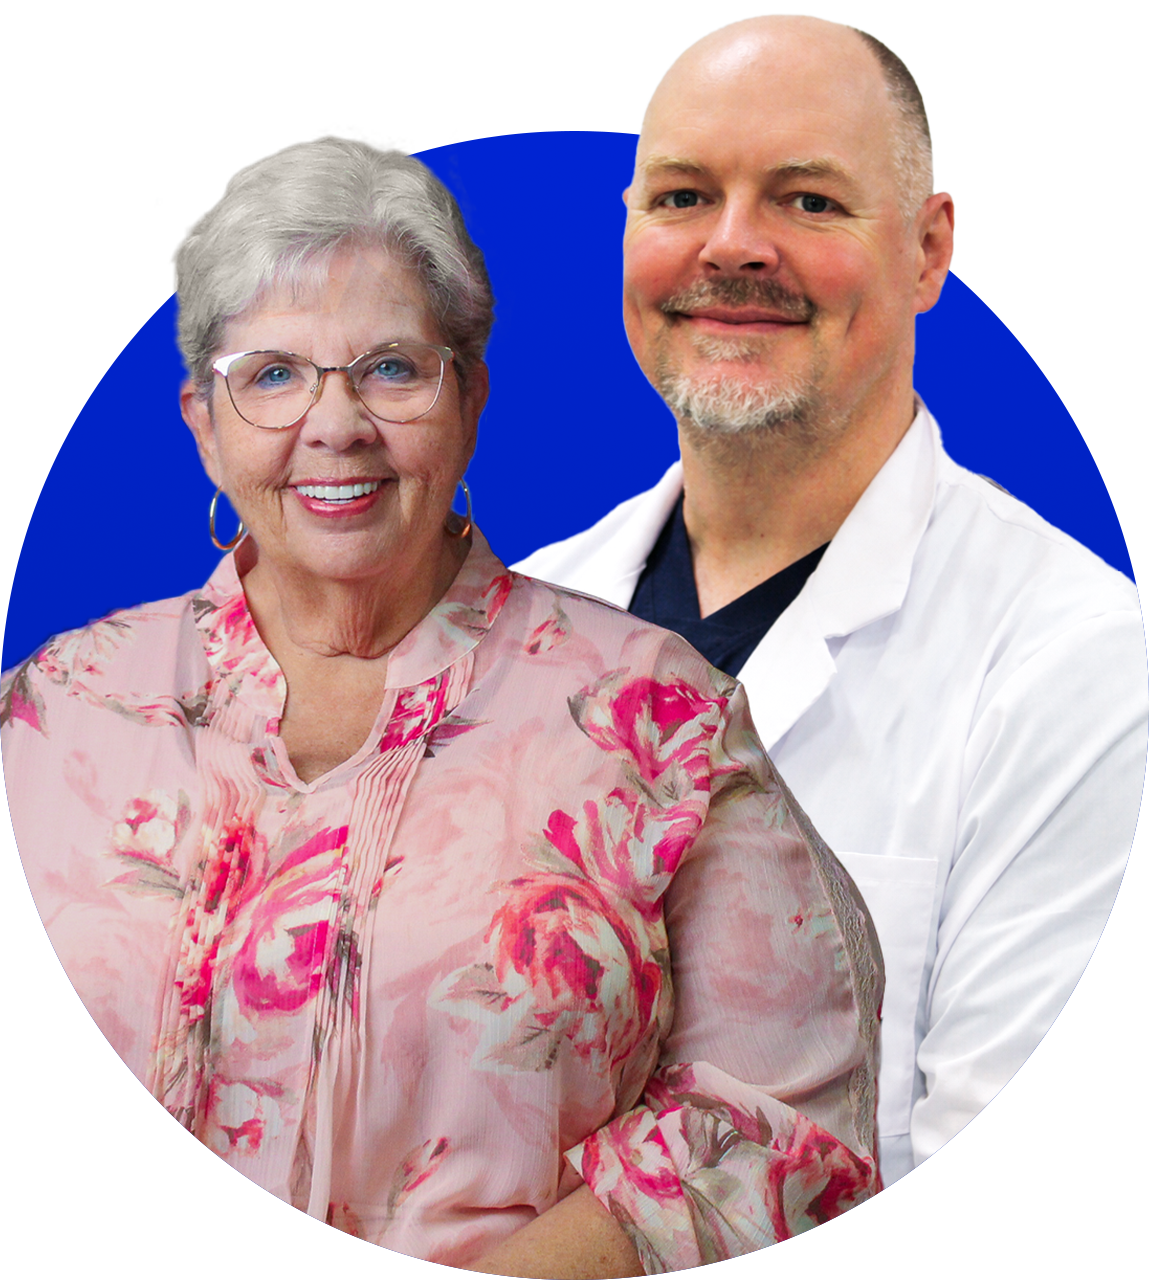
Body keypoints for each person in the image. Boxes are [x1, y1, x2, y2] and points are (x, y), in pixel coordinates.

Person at [0, 133, 882, 1276]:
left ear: (469, 397)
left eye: (390, 369)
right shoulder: (53, 709)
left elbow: (777, 1132)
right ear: (200, 423)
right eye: (271, 374)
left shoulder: (659, 717)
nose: (336, 426)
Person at [515, 14, 1148, 1185]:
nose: (734, 247)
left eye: (808, 201)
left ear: (929, 248)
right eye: (682, 197)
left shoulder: (1062, 649)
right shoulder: (516, 617)